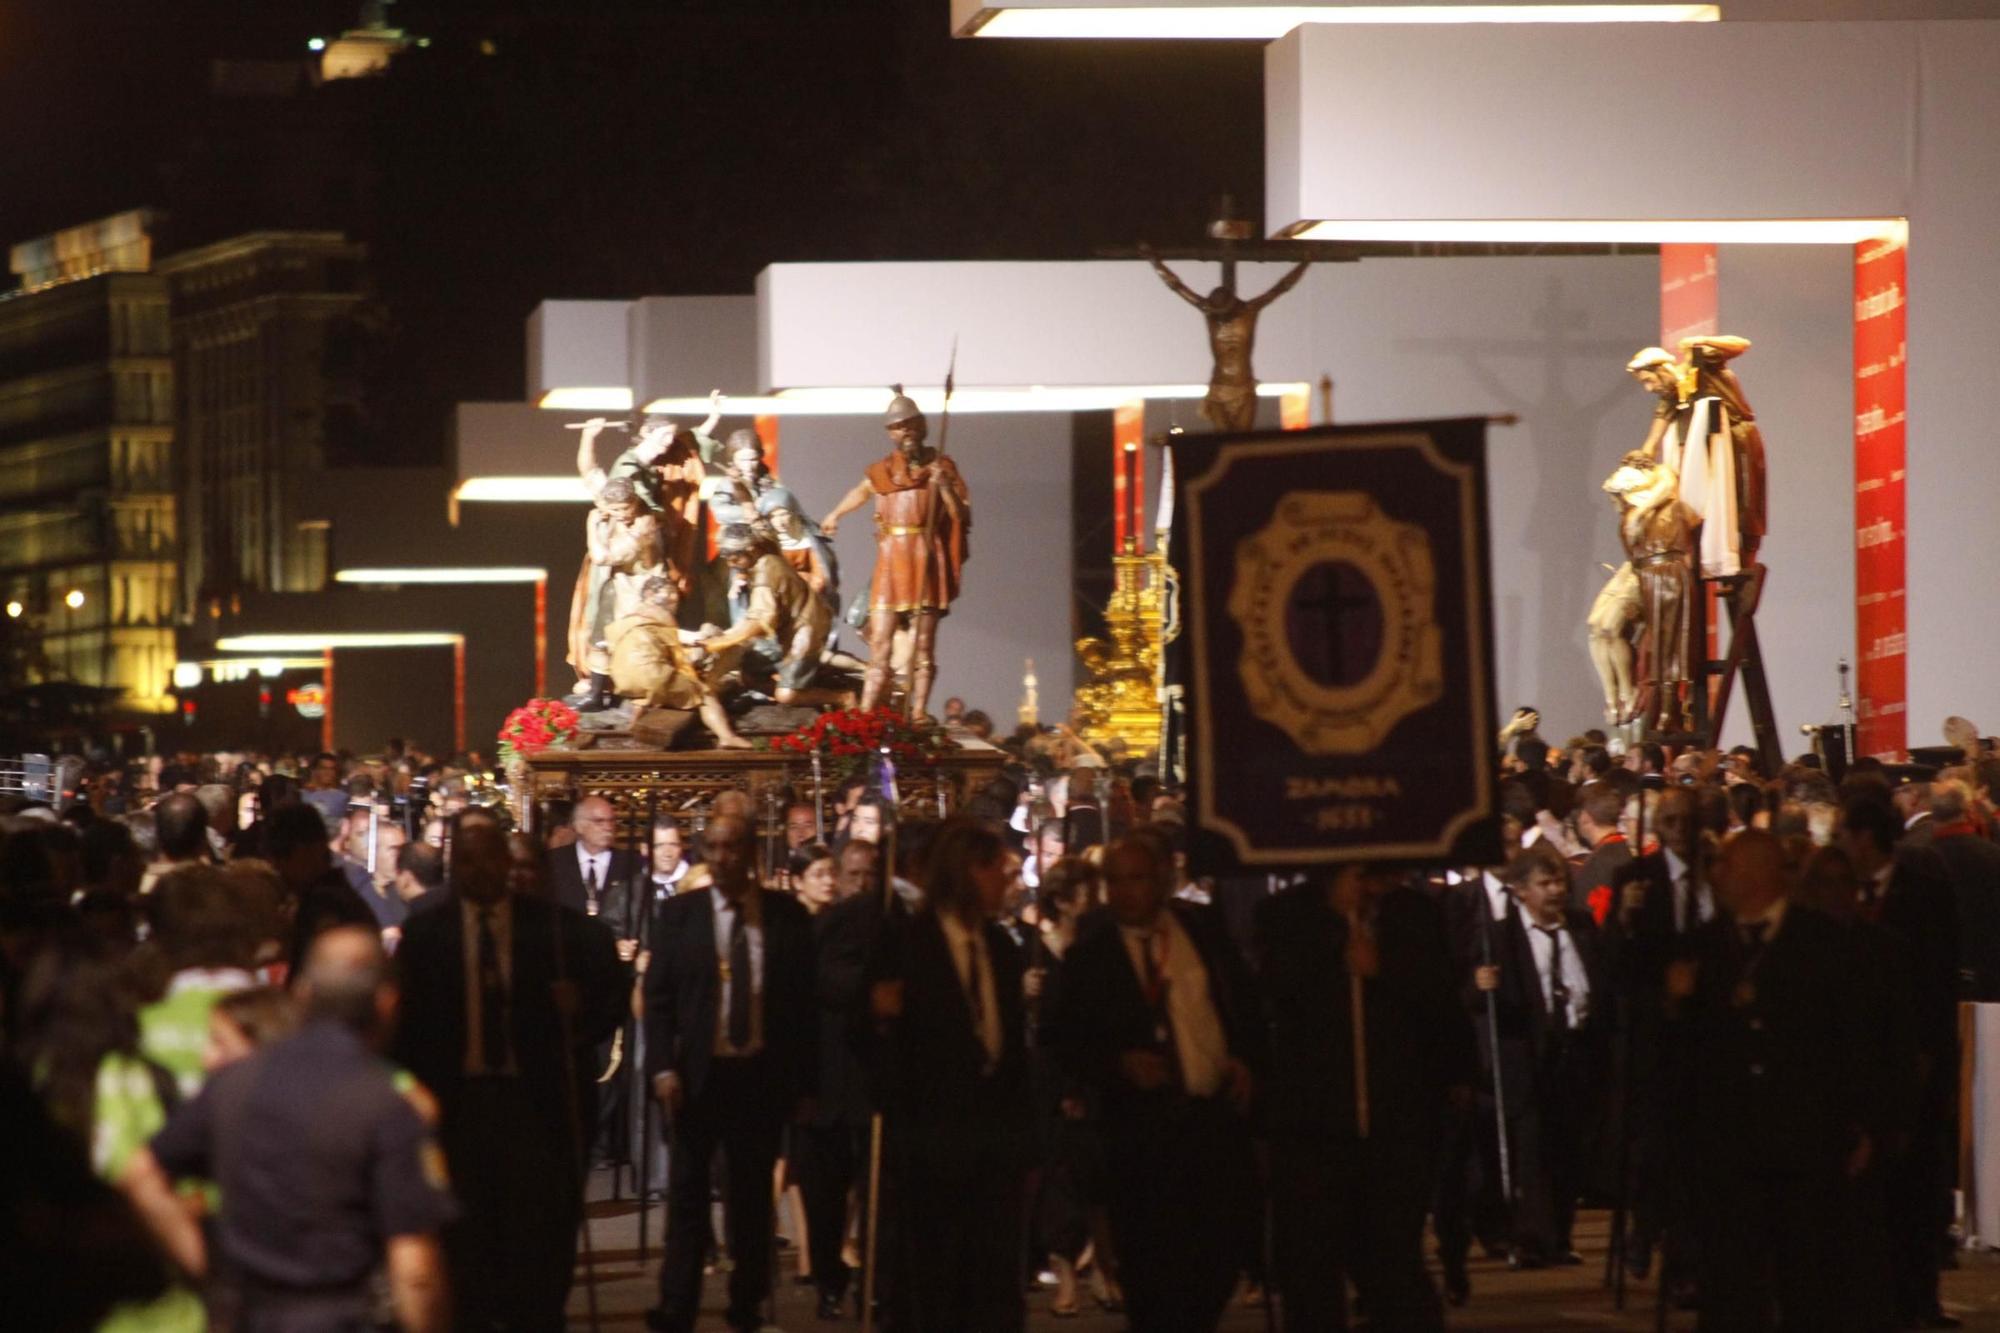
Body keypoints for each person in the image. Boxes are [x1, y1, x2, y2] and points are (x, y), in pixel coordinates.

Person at [121, 927, 455, 1333]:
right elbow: (414, 1266)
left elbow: (139, 1174)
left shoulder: (233, 1085)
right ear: (386, 1003)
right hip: (345, 1316)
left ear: (301, 994)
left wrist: (207, 1268)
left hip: (249, 1313)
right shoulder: (387, 1105)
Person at [393, 820, 627, 1333]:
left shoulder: (555, 931)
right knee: (468, 1240)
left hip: (532, 1104)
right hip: (460, 1106)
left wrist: (577, 1013)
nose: (479, 872)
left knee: (534, 1238)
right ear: (455, 869)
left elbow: (610, 997)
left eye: (488, 859)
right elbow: (405, 1028)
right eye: (467, 862)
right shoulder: (426, 934)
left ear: (506, 863)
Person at [1043, 835, 1261, 1333]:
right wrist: (1117, 1063)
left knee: (1218, 1255)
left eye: (1136, 879)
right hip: (1140, 1132)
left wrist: (1245, 1060)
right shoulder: (1091, 953)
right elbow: (1063, 1038)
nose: (1125, 893)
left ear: (1162, 877)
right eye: (1113, 882)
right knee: (1152, 1273)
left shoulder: (1200, 930)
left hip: (1210, 1121)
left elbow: (1240, 1005)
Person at [1258, 865, 1475, 1331]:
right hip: (1316, 1126)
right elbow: (1276, 991)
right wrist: (1336, 927)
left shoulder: (1413, 913)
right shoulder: (1285, 914)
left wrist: (1383, 968)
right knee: (1313, 1272)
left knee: (1394, 1264)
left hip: (1395, 1122)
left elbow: (1440, 999)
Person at [1675, 829, 1874, 1331]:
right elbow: (1684, 1054)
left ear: (1759, 873)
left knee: (1807, 1283)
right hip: (1729, 1147)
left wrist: (1865, 1121)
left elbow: (1853, 1038)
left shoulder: (1821, 942)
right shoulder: (1704, 946)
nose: (1718, 876)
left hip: (1804, 1141)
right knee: (1732, 1287)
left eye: (1729, 866)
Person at [643, 813, 818, 1333]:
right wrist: (661, 1068)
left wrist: (805, 1084)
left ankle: (748, 1304)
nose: (723, 859)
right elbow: (658, 1002)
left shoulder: (785, 916)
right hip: (697, 1076)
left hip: (759, 1074)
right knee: (689, 1196)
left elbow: (802, 1007)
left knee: (750, 1200)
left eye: (733, 848)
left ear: (751, 852)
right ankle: (677, 1307)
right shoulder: (680, 915)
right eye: (713, 848)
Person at [870, 817, 1033, 1332]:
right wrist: (877, 1013)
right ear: (966, 872)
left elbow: (1012, 1053)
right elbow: (871, 1040)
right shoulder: (907, 943)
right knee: (935, 1285)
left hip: (994, 1147)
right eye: (996, 872)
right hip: (932, 1145)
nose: (1006, 883)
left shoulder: (1003, 950)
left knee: (994, 1287)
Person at [1473, 843, 1609, 1268]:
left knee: (1570, 1147)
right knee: (1532, 1150)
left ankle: (1561, 1235)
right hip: (1531, 1055)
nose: (1554, 891)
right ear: (1521, 892)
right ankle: (1530, 1237)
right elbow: (1480, 1000)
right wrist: (1481, 986)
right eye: (1544, 883)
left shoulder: (1582, 927)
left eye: (1559, 882)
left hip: (1575, 1050)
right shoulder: (1503, 938)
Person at [819, 389, 971, 723]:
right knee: (880, 644)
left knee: (923, 645)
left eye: (910, 424)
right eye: (897, 427)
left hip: (925, 558)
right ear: (890, 433)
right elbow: (862, 491)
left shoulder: (942, 467)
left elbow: (960, 516)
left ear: (922, 426)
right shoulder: (884, 470)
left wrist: (943, 485)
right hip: (891, 560)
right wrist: (835, 514)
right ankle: (867, 714)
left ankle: (917, 712)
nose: (905, 432)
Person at [801, 838, 887, 1320]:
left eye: (869, 877)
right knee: (824, 1199)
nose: (861, 887)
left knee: (877, 1198)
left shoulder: (893, 935)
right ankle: (830, 1279)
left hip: (873, 1090)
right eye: (852, 877)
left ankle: (874, 1281)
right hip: (825, 1087)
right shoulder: (818, 934)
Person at [692, 523, 846, 709]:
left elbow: (760, 621)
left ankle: (841, 698)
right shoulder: (758, 564)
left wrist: (721, 642)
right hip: (784, 630)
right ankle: (794, 690)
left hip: (805, 628)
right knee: (749, 676)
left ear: (751, 550)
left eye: (734, 559)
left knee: (787, 695)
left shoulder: (767, 569)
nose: (731, 565)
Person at [603, 574, 755, 747]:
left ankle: (633, 729)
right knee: (703, 693)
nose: (675, 598)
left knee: (652, 688)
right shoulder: (661, 616)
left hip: (622, 678)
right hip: (652, 673)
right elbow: (681, 653)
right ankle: (726, 736)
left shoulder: (629, 617)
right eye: (670, 593)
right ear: (650, 594)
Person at [545, 794, 646, 927]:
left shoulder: (633, 864)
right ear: (579, 826)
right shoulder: (553, 861)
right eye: (599, 821)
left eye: (611, 821)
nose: (608, 827)